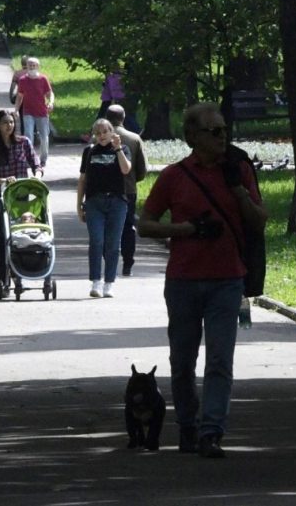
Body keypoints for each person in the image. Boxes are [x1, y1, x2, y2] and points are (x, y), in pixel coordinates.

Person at [137, 102, 267, 458]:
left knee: (220, 360)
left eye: (224, 130)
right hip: (183, 281)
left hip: (228, 280)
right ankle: (188, 425)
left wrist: (238, 189)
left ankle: (211, 432)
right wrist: (186, 229)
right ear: (192, 136)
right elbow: (144, 224)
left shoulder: (239, 170)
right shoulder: (174, 176)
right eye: (214, 131)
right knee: (182, 362)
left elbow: (259, 221)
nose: (223, 137)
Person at [0, 109, 42, 291]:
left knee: (20, 236)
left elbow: (36, 163)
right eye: (5, 123)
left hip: (21, 197)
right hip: (1, 197)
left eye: (11, 122)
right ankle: (3, 278)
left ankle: (19, 273)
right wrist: (5, 180)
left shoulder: (23, 143)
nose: (9, 126)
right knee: (3, 237)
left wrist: (37, 175)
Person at [77, 118, 132, 298]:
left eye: (105, 132)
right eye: (98, 133)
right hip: (94, 202)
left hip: (117, 202)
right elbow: (83, 179)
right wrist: (79, 205)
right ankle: (96, 281)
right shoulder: (90, 151)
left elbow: (126, 169)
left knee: (113, 244)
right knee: (97, 241)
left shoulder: (122, 149)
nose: (101, 136)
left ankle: (109, 283)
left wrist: (118, 148)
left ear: (112, 132)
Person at [105, 104, 147, 276]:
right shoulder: (135, 139)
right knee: (128, 227)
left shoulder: (99, 138)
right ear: (123, 118)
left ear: (107, 118)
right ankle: (128, 263)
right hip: (128, 189)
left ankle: (109, 262)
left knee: (107, 226)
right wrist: (132, 179)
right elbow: (142, 170)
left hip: (105, 190)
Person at [15, 57, 54, 167]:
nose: (32, 67)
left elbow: (50, 94)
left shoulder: (43, 79)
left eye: (34, 65)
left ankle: (43, 159)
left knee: (44, 137)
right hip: (28, 112)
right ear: (26, 66)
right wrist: (16, 110)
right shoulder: (22, 80)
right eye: (30, 65)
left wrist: (51, 102)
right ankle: (29, 159)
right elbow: (19, 96)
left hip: (42, 112)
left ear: (38, 66)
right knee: (28, 136)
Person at [9, 55, 29, 135]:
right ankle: (33, 133)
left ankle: (24, 135)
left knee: (22, 118)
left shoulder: (17, 73)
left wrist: (11, 97)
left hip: (21, 99)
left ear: (21, 63)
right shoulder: (32, 73)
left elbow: (12, 87)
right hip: (32, 99)